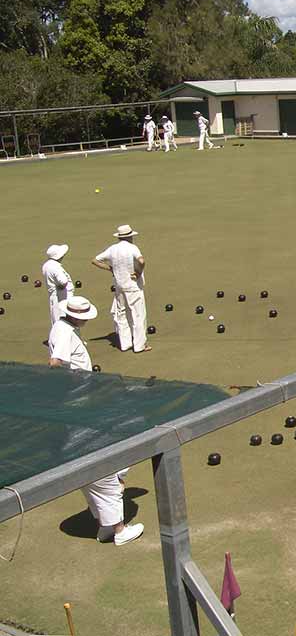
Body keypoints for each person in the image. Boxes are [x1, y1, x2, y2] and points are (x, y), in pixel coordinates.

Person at [48, 294, 145, 546]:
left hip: (82, 402)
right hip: (79, 405)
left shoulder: (63, 327)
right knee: (104, 456)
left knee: (95, 457)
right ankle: (119, 530)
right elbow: (56, 363)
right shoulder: (64, 332)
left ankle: (106, 525)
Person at [92, 224, 150, 354]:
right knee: (138, 315)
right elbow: (141, 261)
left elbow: (95, 260)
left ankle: (125, 344)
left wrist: (110, 268)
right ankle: (140, 345)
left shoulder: (112, 249)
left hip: (119, 286)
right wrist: (139, 272)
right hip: (133, 287)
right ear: (130, 236)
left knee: (122, 314)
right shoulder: (132, 248)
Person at [42, 244, 75, 324]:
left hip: (55, 296)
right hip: (62, 297)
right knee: (63, 320)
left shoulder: (46, 265)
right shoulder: (55, 267)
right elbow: (63, 281)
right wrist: (61, 286)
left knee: (56, 318)